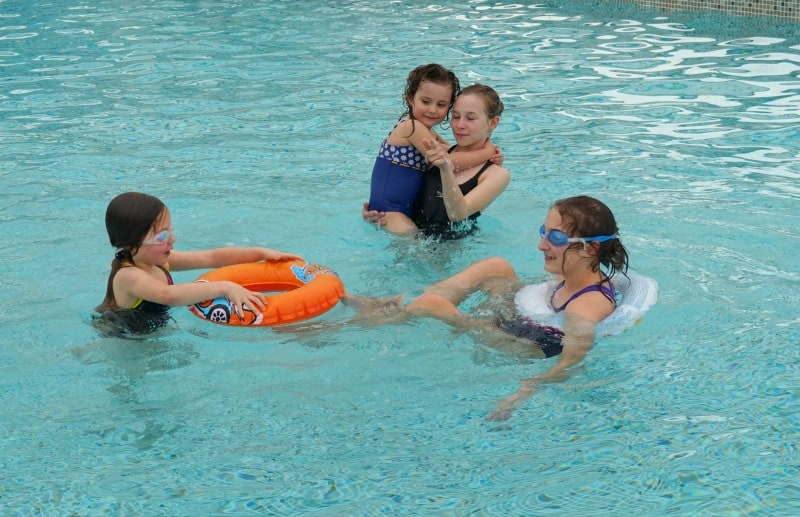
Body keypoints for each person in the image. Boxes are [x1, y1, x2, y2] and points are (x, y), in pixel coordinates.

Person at [347, 196, 628, 420]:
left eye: (554, 239)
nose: (541, 244)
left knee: (433, 306)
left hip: (530, 347)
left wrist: (522, 392)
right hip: (524, 322)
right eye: (544, 232)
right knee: (497, 267)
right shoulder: (575, 272)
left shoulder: (586, 306)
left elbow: (571, 361)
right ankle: (396, 304)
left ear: (590, 250)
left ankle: (349, 327)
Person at [94, 192, 302, 335]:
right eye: (161, 236)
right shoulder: (129, 276)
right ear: (132, 243)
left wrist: (260, 252)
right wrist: (226, 287)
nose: (172, 239)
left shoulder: (158, 261)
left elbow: (211, 258)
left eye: (170, 230)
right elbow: (168, 296)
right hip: (121, 336)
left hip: (149, 329)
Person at [368, 65, 503, 235]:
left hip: (398, 209)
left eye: (441, 104)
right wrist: (488, 152)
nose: (432, 110)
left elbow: (449, 151)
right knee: (412, 240)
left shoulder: (428, 133)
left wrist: (488, 160)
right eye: (426, 102)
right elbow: (448, 160)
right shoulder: (412, 127)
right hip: (391, 210)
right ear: (410, 99)